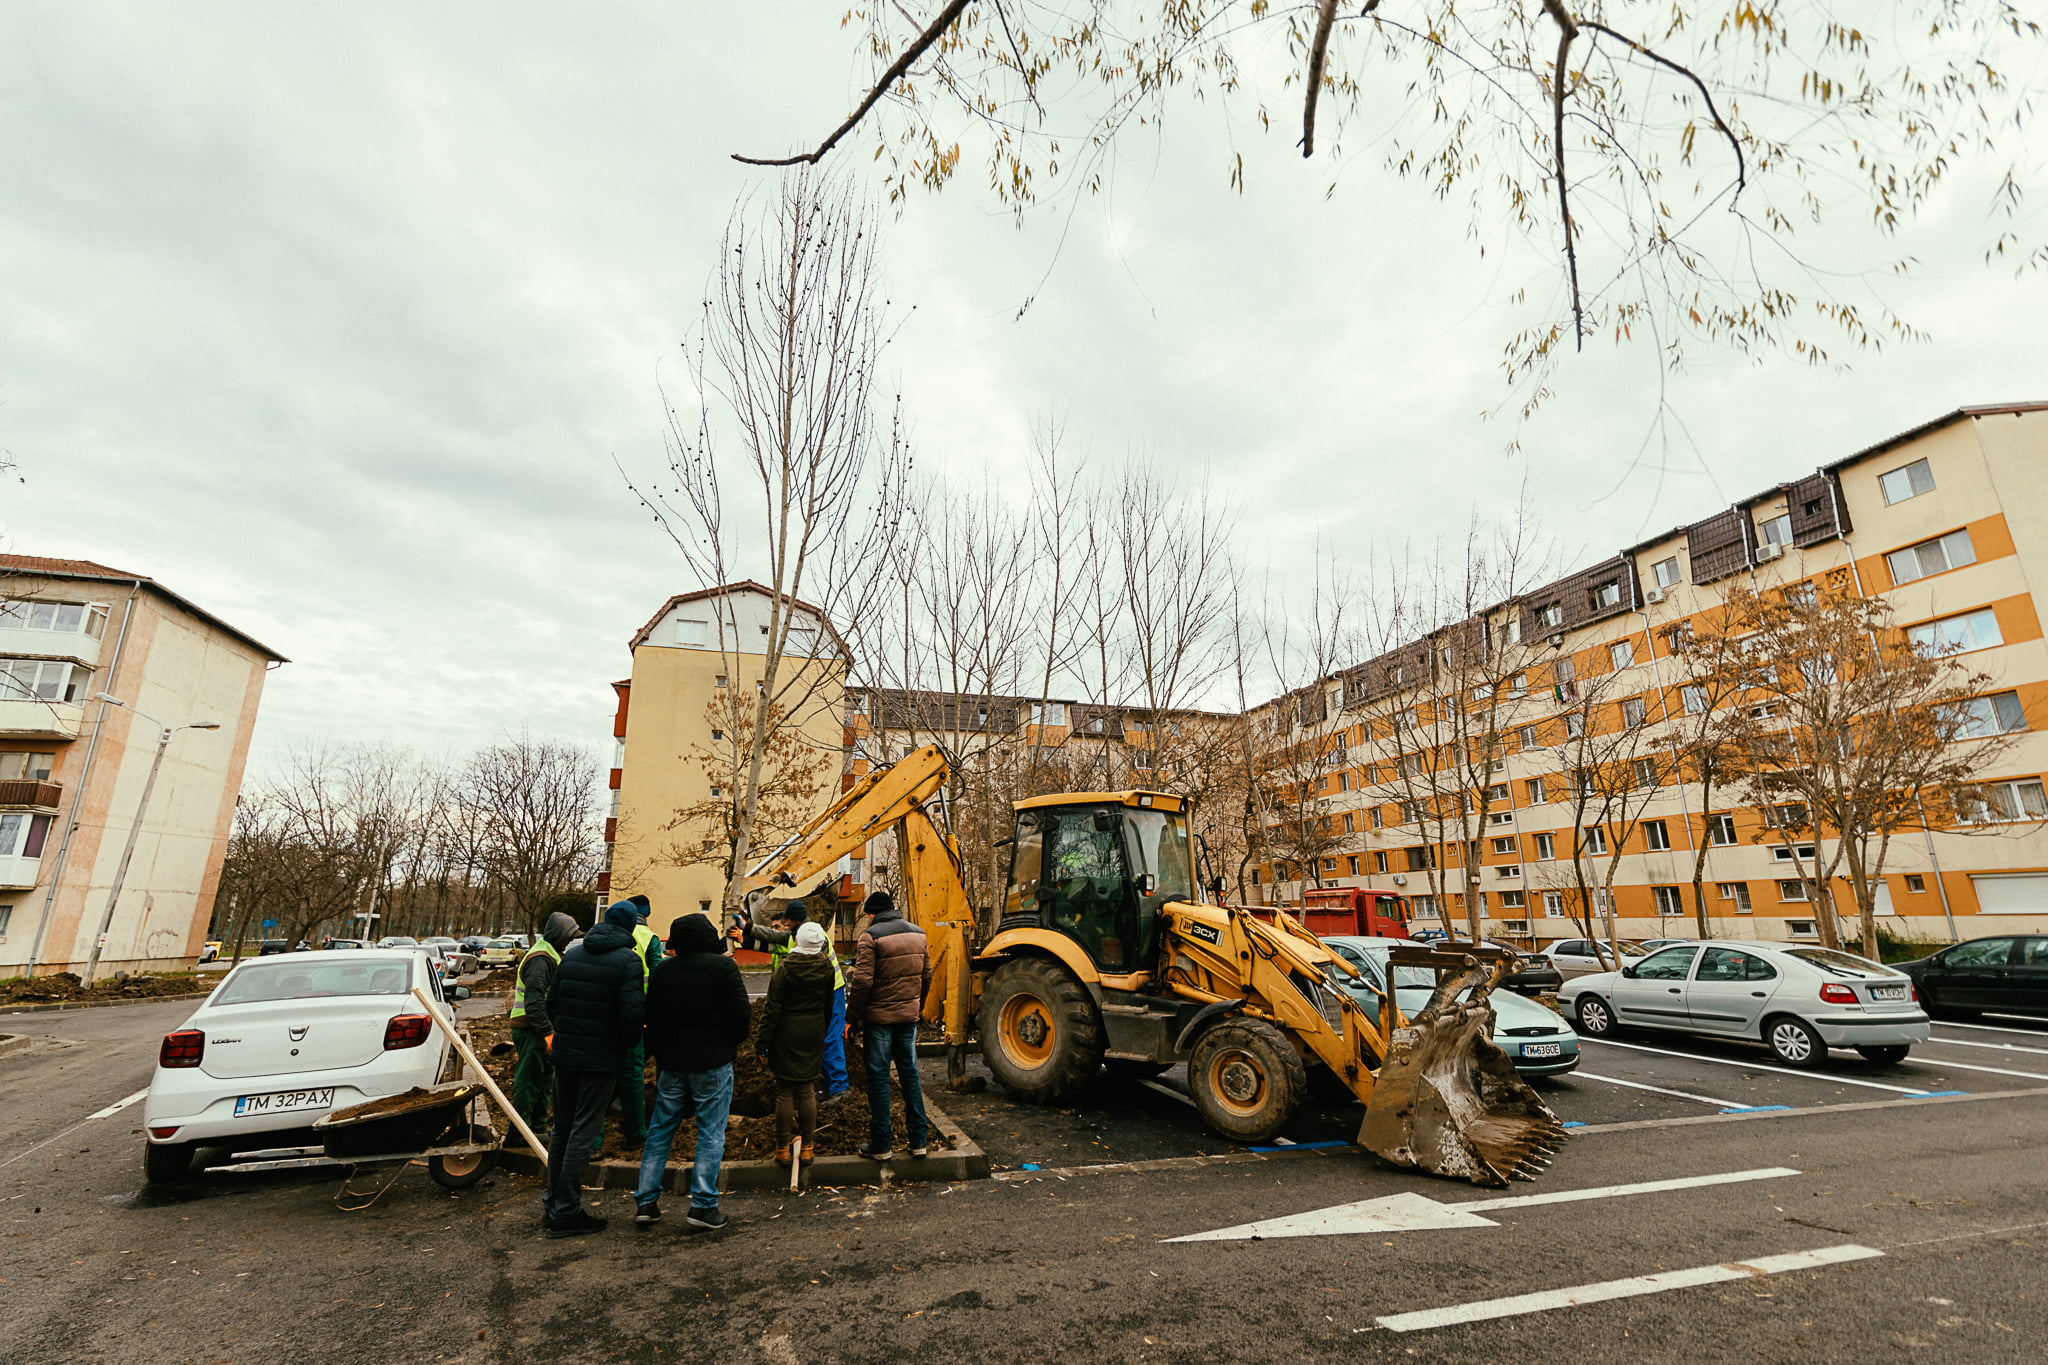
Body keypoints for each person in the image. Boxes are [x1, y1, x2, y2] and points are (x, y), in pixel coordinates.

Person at [634, 911, 751, 1232]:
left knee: (659, 1131)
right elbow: (742, 1017)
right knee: (711, 1133)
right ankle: (702, 1205)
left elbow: (652, 1020)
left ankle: (645, 1201)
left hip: (672, 1064)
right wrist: (728, 1044)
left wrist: (659, 1053)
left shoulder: (663, 972)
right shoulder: (724, 967)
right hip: (712, 1063)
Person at [540, 899, 647, 1238]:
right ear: (630, 928)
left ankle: (553, 1202)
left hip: (566, 1056)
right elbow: (632, 1016)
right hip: (600, 1060)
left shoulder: (572, 956)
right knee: (584, 1131)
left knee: (562, 1129)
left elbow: (551, 1004)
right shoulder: (628, 960)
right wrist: (625, 1046)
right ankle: (567, 1211)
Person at [847, 891, 931, 1161]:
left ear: (872, 913)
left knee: (879, 1079)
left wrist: (852, 1018)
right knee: (910, 1075)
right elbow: (926, 976)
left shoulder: (871, 937)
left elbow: (862, 983)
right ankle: (919, 1141)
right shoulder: (918, 933)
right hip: (908, 1019)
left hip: (879, 1021)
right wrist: (917, 1006)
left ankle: (881, 1144)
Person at [748, 895, 850, 1099]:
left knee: (829, 1038)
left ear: (796, 920)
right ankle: (827, 1080)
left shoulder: (813, 936)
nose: (785, 923)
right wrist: (747, 927)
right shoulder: (800, 932)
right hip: (825, 991)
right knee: (821, 1037)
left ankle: (840, 1088)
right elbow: (772, 936)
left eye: (788, 919)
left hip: (833, 990)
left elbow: (815, 970)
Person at [754, 921, 835, 1165]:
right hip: (813, 1032)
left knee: (785, 1091)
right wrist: (821, 1031)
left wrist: (761, 1043)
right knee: (807, 1089)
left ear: (798, 941)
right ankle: (808, 1148)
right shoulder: (827, 969)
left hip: (786, 1033)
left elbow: (772, 1008)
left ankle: (781, 1150)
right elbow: (828, 1005)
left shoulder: (786, 969)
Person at [508, 911, 578, 1144]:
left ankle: (536, 1128)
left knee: (542, 1079)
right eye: (568, 937)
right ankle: (518, 1132)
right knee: (528, 1080)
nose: (570, 942)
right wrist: (547, 1033)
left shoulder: (550, 954)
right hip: (531, 1028)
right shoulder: (540, 959)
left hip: (539, 1028)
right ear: (559, 935)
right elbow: (534, 1001)